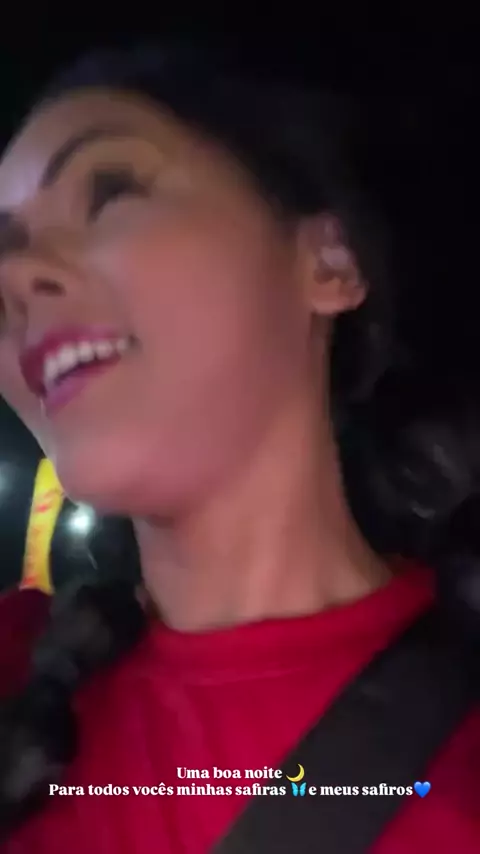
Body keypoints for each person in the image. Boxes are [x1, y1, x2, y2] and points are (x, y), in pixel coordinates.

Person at [0, 43, 478, 853]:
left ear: (330, 263)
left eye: (108, 192)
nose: (16, 281)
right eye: (1, 256)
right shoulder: (16, 664)